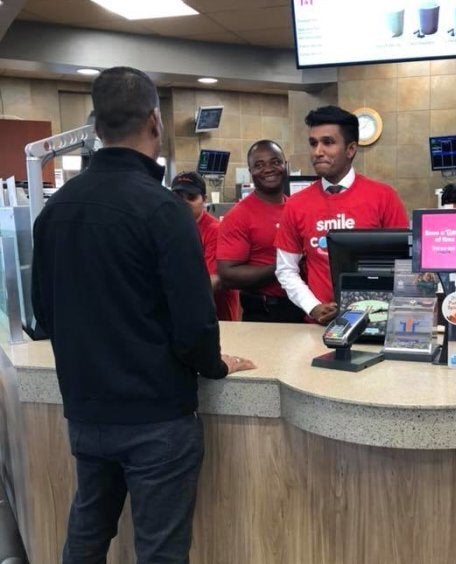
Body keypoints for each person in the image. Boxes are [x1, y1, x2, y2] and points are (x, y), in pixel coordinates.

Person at [31, 66, 254, 564]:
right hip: (157, 418)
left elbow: (43, 314)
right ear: (155, 120)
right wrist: (216, 364)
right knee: (159, 550)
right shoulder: (164, 210)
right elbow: (194, 322)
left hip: (87, 411)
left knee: (87, 530)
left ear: (96, 127)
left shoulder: (55, 210)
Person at [274, 105, 409, 325]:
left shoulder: (383, 197)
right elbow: (286, 270)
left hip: (377, 321)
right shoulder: (296, 204)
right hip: (319, 325)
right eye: (313, 143)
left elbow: (404, 263)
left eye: (328, 142)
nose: (318, 151)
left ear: (351, 149)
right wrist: (313, 307)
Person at [216, 140, 305, 322]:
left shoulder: (296, 208)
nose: (268, 169)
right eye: (259, 165)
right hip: (267, 312)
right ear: (251, 172)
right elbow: (228, 275)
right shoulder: (239, 216)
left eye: (275, 162)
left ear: (284, 165)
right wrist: (282, 266)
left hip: (303, 306)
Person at [171, 170, 240, 321]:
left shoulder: (215, 231)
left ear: (205, 199)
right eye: (178, 197)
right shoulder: (170, 229)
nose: (184, 203)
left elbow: (213, 279)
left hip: (215, 316)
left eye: (191, 197)